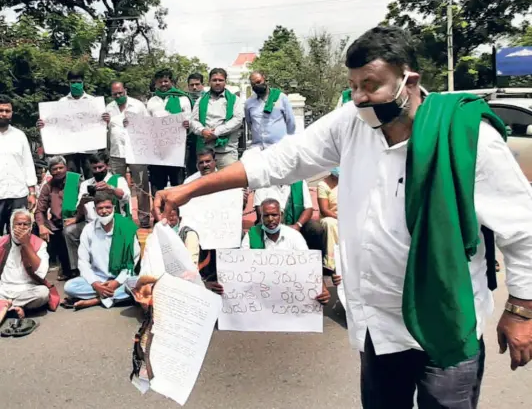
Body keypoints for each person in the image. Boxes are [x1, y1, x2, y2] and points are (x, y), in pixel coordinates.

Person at [154, 26, 532, 409]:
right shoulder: (350, 123)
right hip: (379, 327)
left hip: (446, 321)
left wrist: (521, 309)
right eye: (353, 85)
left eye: (371, 85)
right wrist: (189, 190)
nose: (360, 97)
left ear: (409, 80)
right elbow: (278, 162)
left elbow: (523, 230)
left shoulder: (468, 137)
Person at [208, 198, 330, 304]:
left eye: (274, 215)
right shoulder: (252, 235)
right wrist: (223, 283)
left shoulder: (294, 236)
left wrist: (322, 288)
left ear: (281, 215)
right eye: (266, 215)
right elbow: (241, 265)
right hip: (259, 291)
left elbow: (309, 265)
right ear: (261, 217)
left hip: (288, 292)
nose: (270, 219)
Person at [63, 191, 140, 310]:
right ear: (94, 210)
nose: (104, 211)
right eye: (100, 208)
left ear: (114, 207)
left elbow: (132, 261)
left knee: (138, 284)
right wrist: (95, 284)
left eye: (108, 207)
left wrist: (116, 282)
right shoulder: (89, 230)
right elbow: (83, 262)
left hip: (121, 278)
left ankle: (95, 300)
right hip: (98, 278)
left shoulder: (126, 227)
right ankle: (110, 296)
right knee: (69, 286)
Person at [63, 151, 131, 278]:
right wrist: (83, 201)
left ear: (107, 166)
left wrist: (110, 188)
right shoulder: (86, 184)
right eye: (94, 168)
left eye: (101, 167)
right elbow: (79, 209)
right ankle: (78, 270)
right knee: (70, 231)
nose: (97, 170)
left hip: (112, 223)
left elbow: (125, 197)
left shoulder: (117, 180)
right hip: (91, 224)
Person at [37, 70, 101, 179]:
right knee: (71, 175)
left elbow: (100, 122)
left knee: (90, 173)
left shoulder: (93, 101)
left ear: (83, 82)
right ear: (69, 83)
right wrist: (44, 124)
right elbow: (54, 122)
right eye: (73, 82)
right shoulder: (62, 102)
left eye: (78, 82)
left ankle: (93, 195)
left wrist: (105, 120)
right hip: (70, 147)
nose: (76, 84)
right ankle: (71, 196)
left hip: (89, 146)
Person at [104, 81, 151, 229]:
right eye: (115, 94)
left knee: (141, 185)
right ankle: (120, 217)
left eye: (120, 93)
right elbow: (103, 131)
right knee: (116, 186)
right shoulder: (108, 108)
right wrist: (104, 123)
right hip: (116, 152)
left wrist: (136, 123)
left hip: (137, 151)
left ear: (126, 90)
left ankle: (144, 218)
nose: (118, 96)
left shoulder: (138, 105)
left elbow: (150, 125)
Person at [253, 180, 326, 259]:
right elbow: (260, 212)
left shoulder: (300, 182)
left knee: (315, 228)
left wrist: (298, 225)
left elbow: (308, 208)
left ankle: (316, 263)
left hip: (296, 223)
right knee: (257, 230)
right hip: (271, 223)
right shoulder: (263, 183)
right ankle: (261, 261)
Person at [147, 69, 192, 194]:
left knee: (177, 185)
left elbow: (190, 119)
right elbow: (146, 123)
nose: (163, 84)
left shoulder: (183, 99)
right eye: (160, 82)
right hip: (157, 151)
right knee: (157, 185)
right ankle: (159, 212)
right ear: (155, 83)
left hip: (176, 149)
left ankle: (179, 213)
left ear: (171, 82)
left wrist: (187, 123)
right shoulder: (151, 101)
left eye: (166, 81)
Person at [35, 156, 79, 281]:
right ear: (50, 171)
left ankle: (74, 269)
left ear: (66, 168)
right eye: (55, 169)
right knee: (38, 229)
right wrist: (41, 226)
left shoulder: (76, 181)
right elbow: (40, 209)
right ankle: (55, 266)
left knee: (69, 231)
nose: (58, 171)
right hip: (57, 223)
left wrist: (76, 218)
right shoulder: (48, 186)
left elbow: (85, 202)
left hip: (77, 220)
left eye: (61, 168)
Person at [0, 209, 50, 319]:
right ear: (11, 227)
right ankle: (15, 308)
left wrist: (26, 244)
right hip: (3, 289)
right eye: (18, 224)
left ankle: (8, 306)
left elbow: (42, 272)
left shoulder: (39, 243)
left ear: (31, 227)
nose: (22, 227)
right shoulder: (2, 242)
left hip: (27, 291)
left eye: (26, 224)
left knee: (43, 293)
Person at [190, 68, 244, 169]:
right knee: (208, 183)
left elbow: (237, 120)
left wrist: (216, 133)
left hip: (227, 150)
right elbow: (193, 121)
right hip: (205, 151)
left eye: (220, 80)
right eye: (214, 80)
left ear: (225, 82)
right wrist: (203, 131)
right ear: (209, 82)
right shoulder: (201, 100)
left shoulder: (234, 100)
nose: (217, 83)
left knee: (230, 182)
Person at [0, 95, 37, 236]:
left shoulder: (19, 136)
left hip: (18, 193)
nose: (4, 114)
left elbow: (28, 164)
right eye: (1, 110)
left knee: (19, 234)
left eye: (7, 110)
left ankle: (18, 259)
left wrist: (32, 193)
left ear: (11, 113)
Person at [245, 71, 296, 149]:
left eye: (259, 82)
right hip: (258, 148)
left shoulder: (281, 98)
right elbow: (250, 123)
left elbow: (290, 122)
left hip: (279, 147)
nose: (256, 85)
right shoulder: (249, 103)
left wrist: (288, 142)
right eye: (253, 84)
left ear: (265, 80)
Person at [317, 168, 339, 271]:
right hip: (332, 217)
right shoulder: (323, 185)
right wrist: (340, 218)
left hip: (349, 218)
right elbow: (324, 210)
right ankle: (331, 262)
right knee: (329, 223)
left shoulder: (350, 182)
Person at [186, 73, 206, 176]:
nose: (194, 87)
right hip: (188, 141)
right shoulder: (183, 100)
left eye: (197, 84)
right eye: (191, 85)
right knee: (191, 170)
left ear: (203, 84)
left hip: (204, 140)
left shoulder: (208, 99)